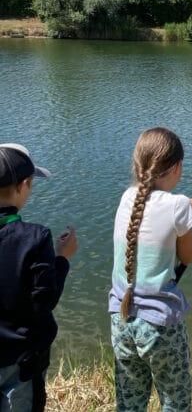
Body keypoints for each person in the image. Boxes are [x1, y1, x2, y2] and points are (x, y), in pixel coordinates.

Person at [108, 127, 192, 412]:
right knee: (175, 402)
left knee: (130, 402)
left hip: (120, 318)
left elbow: (170, 210)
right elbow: (189, 255)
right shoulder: (175, 205)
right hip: (159, 327)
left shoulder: (128, 197)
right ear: (177, 166)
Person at [0, 143, 78, 411]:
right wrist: (61, 258)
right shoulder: (35, 238)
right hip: (20, 362)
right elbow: (44, 301)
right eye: (32, 184)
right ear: (23, 186)